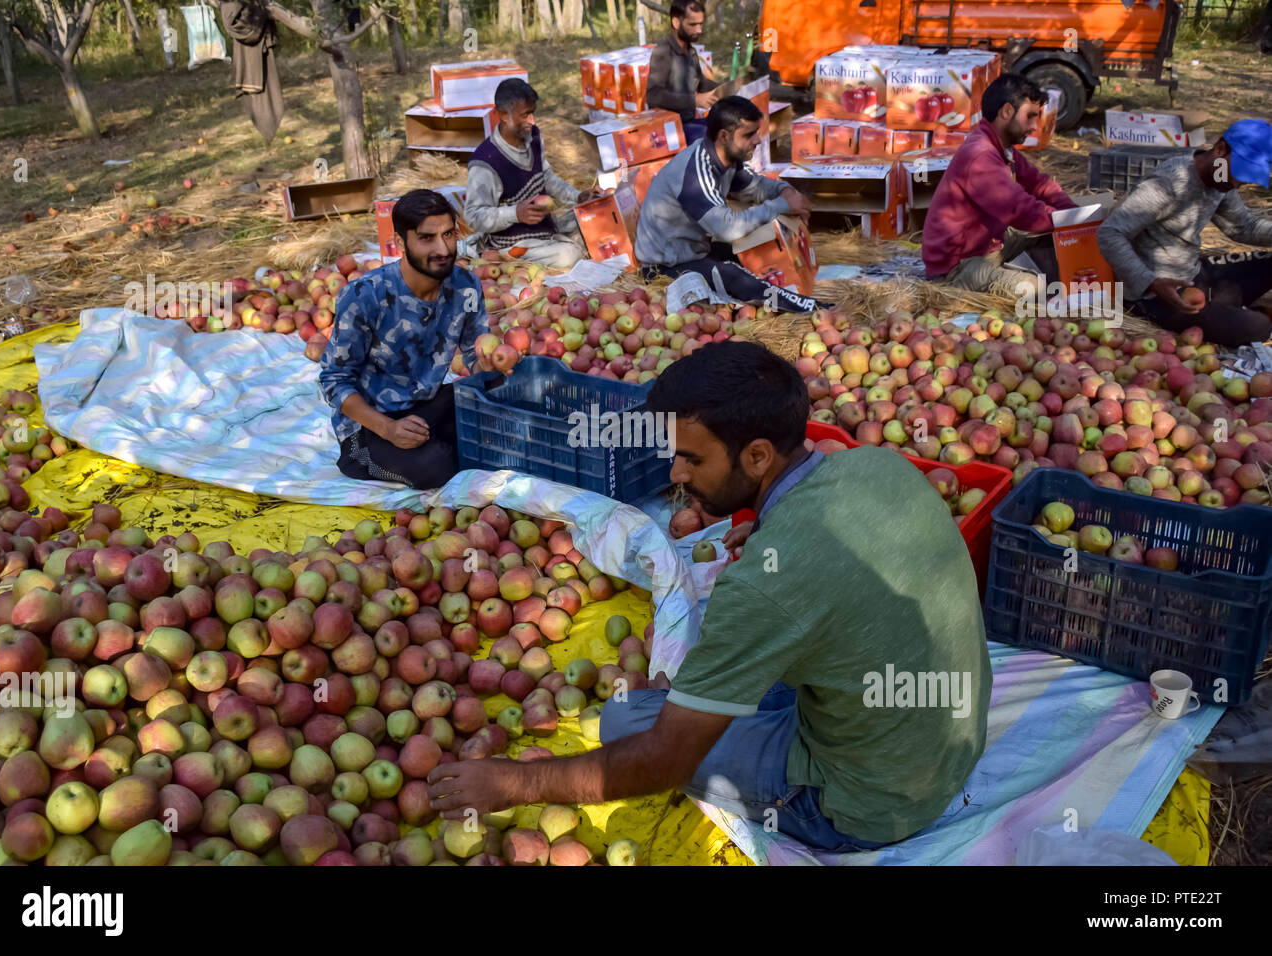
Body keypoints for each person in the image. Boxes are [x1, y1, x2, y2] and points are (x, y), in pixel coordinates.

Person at [426, 341, 993, 852]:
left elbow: (664, 761)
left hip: (865, 805)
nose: (675, 473)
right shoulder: (880, 465)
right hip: (947, 743)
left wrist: (512, 782)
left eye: (692, 459)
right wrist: (775, 533)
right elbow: (844, 558)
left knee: (627, 721)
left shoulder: (761, 591)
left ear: (757, 457)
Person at [319, 189, 497, 489]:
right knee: (436, 467)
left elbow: (473, 355)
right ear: (401, 242)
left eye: (449, 234)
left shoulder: (465, 286)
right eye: (427, 238)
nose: (443, 248)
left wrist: (492, 365)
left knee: (507, 397)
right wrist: (388, 429)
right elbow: (334, 381)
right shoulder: (365, 295)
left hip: (426, 406)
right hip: (370, 426)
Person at [635, 96, 819, 314]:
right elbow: (727, 228)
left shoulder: (727, 160)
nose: (758, 141)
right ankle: (812, 308)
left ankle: (795, 290)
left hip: (696, 250)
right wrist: (781, 205)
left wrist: (785, 192)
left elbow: (756, 186)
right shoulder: (695, 173)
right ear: (724, 136)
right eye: (749, 134)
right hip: (665, 267)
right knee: (734, 277)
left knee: (759, 248)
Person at [1097, 119, 1272, 347]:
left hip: (1193, 277)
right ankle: (1239, 314)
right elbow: (1109, 233)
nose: (1238, 183)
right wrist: (1151, 282)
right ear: (1220, 149)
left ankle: (1228, 311)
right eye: (1238, 172)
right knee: (1258, 327)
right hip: (1156, 297)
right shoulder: (1169, 184)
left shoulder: (1221, 178)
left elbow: (1242, 226)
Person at [922, 73, 1077, 296]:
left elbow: (1039, 184)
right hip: (958, 266)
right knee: (1032, 288)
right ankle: (954, 290)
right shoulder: (980, 156)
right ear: (1006, 111)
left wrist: (1076, 216)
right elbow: (1019, 210)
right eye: (1030, 116)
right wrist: (1067, 221)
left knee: (1060, 243)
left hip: (990, 249)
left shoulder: (1001, 148)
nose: (1034, 126)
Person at [464, 78, 604, 270]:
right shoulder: (486, 163)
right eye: (525, 115)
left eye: (533, 113)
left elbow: (546, 176)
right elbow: (474, 216)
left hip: (543, 229)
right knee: (570, 255)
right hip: (512, 244)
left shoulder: (533, 137)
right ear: (504, 115)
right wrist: (516, 213)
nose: (532, 121)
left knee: (594, 217)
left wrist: (578, 196)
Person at [645, 0, 721, 145]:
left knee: (728, 128)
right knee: (715, 139)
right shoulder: (663, 52)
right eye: (693, 25)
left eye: (700, 24)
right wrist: (695, 101)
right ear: (676, 22)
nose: (699, 30)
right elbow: (653, 96)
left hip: (689, 122)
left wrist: (726, 89)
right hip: (669, 129)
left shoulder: (690, 51)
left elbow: (700, 83)